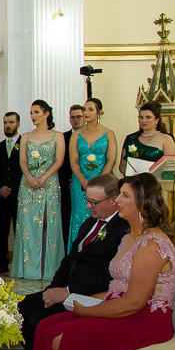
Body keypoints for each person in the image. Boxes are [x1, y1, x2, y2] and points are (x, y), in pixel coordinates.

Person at [21, 174, 175, 350]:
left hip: (146, 318)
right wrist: (87, 303)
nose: (118, 200)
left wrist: (88, 311)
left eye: (125, 196)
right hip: (119, 305)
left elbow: (135, 302)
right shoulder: (130, 237)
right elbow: (117, 287)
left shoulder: (152, 245)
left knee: (67, 337)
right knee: (48, 326)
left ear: (143, 204)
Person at [18, 174, 129, 350]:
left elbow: (108, 275)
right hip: (68, 289)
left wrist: (68, 291)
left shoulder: (124, 229)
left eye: (94, 202)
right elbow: (70, 260)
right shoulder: (90, 223)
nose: (88, 206)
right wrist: (52, 289)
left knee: (39, 319)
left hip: (92, 295)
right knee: (20, 309)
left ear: (113, 200)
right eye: (87, 199)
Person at [12, 100, 67, 281]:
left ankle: (48, 269)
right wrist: (29, 177)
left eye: (36, 112)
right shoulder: (26, 136)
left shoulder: (57, 136)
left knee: (47, 224)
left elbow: (58, 161)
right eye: (31, 112)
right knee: (27, 225)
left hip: (49, 184)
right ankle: (27, 269)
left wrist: (43, 177)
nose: (33, 116)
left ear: (46, 113)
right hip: (28, 185)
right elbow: (22, 161)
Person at [68, 98, 116, 243]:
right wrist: (83, 181)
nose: (86, 112)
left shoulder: (109, 133)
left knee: (100, 213)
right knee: (79, 217)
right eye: (85, 109)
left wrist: (99, 182)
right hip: (80, 183)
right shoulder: (76, 135)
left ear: (99, 112)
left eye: (90, 109)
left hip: (103, 182)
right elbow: (73, 161)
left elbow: (111, 160)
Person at [0, 112, 23, 274]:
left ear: (18, 124)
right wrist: (0, 187)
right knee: (1, 230)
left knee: (20, 230)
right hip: (1, 196)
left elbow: (26, 170)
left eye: (11, 122)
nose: (7, 125)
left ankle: (21, 263)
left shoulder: (25, 145)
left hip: (19, 195)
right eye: (5, 122)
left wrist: (14, 188)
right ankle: (1, 263)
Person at [119, 101, 175, 174]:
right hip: (133, 182)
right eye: (141, 117)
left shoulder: (166, 139)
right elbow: (122, 165)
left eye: (148, 117)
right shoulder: (131, 139)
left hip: (156, 182)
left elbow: (170, 167)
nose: (144, 120)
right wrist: (132, 177)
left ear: (157, 119)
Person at [59, 104, 84, 239]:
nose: (76, 120)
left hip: (86, 183)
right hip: (66, 185)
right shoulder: (63, 137)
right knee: (67, 219)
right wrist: (67, 181)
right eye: (72, 117)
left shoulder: (89, 137)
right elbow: (60, 163)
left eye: (79, 116)